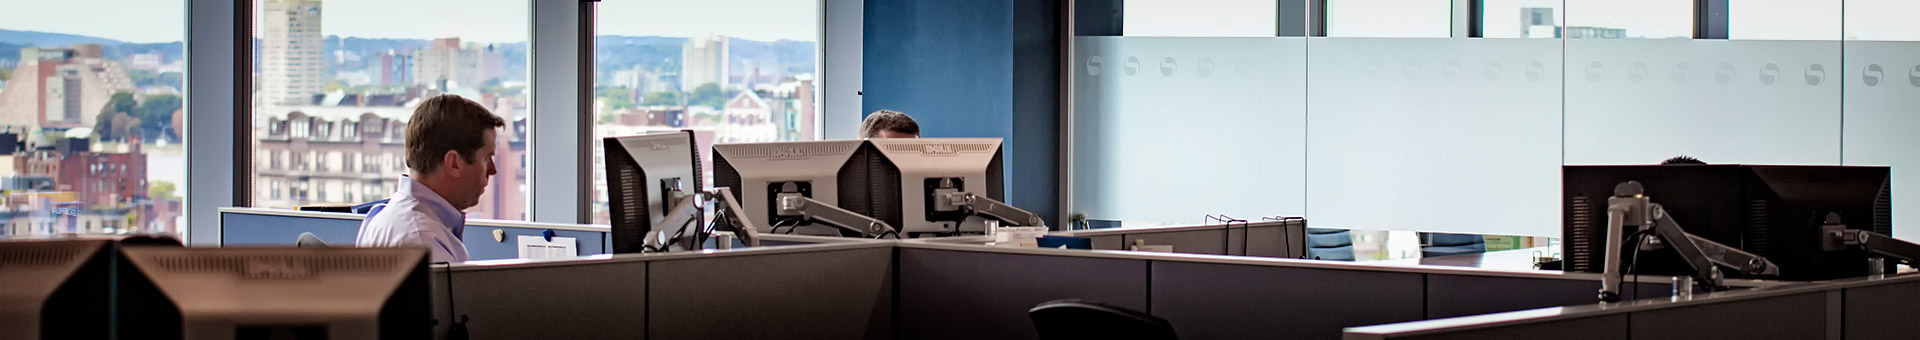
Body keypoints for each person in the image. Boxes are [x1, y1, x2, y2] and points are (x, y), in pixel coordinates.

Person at [355, 95, 505, 263]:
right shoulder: (422, 239)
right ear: (454, 163)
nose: (492, 170)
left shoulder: (381, 218)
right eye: (486, 158)